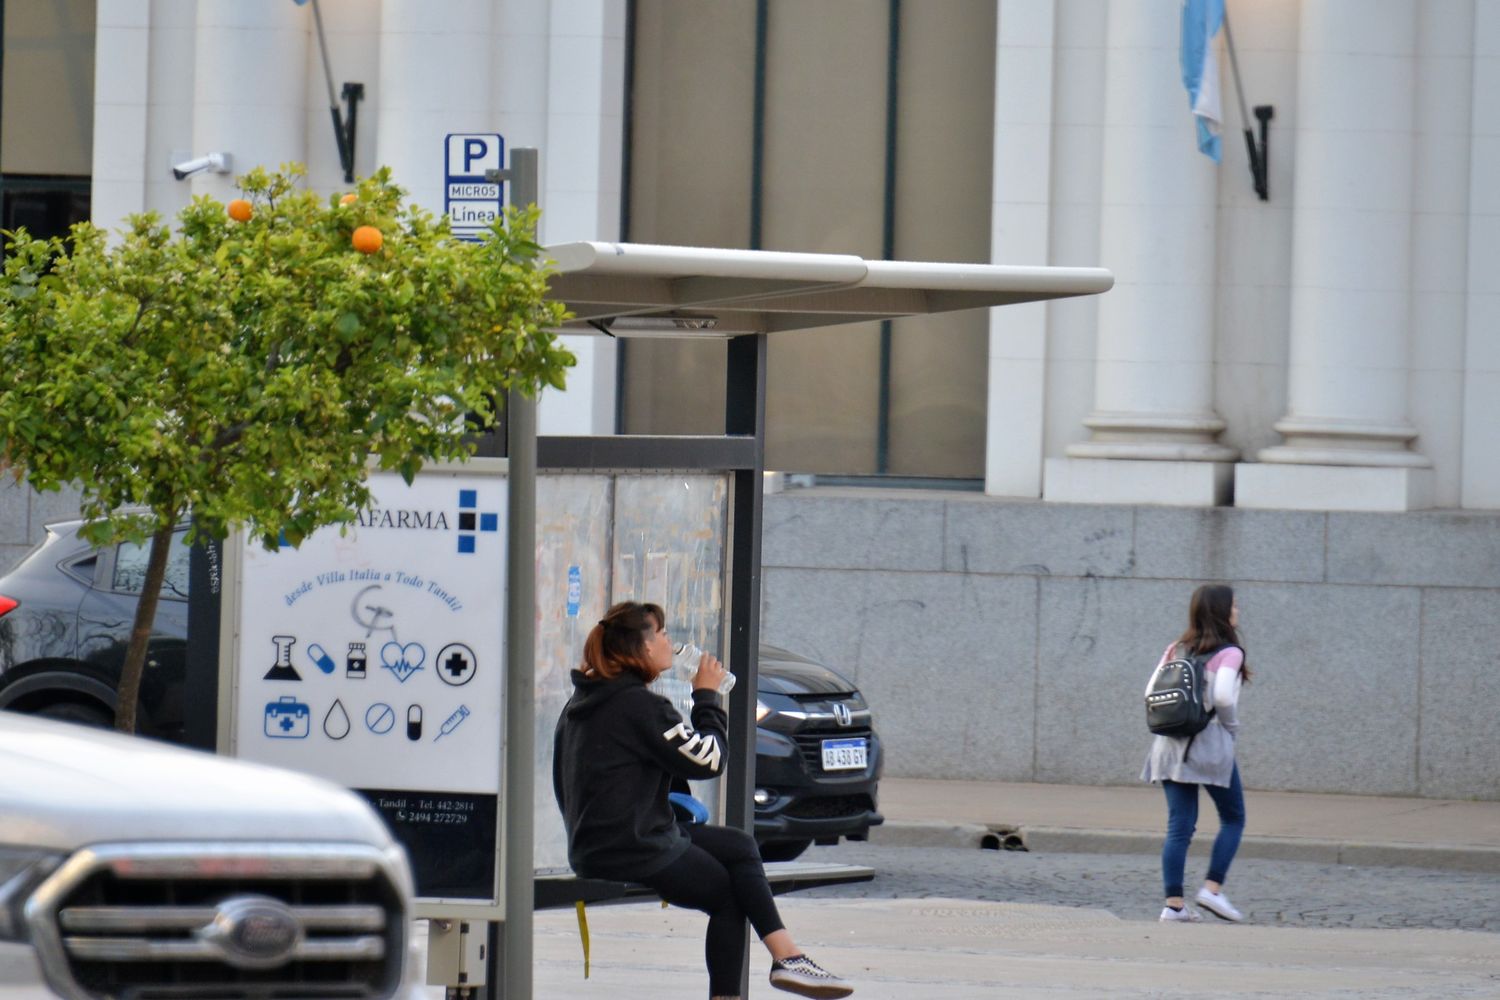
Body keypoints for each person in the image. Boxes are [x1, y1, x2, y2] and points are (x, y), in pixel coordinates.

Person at [553, 600, 854, 1000]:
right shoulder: (638, 705)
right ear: (643, 648)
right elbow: (710, 759)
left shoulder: (584, 701)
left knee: (739, 845)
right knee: (729, 896)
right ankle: (775, 967)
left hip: (602, 842)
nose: (669, 642)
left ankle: (788, 957)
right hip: (633, 845)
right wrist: (707, 698)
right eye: (661, 634)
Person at [1141, 583, 1251, 924]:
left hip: (1170, 746)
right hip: (1208, 745)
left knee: (1179, 827)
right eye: (1233, 606)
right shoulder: (1229, 652)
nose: (1238, 611)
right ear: (1221, 611)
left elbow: (1149, 692)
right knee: (1233, 817)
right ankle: (1212, 890)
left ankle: (1173, 905)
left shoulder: (1177, 648)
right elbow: (1222, 697)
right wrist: (1230, 729)